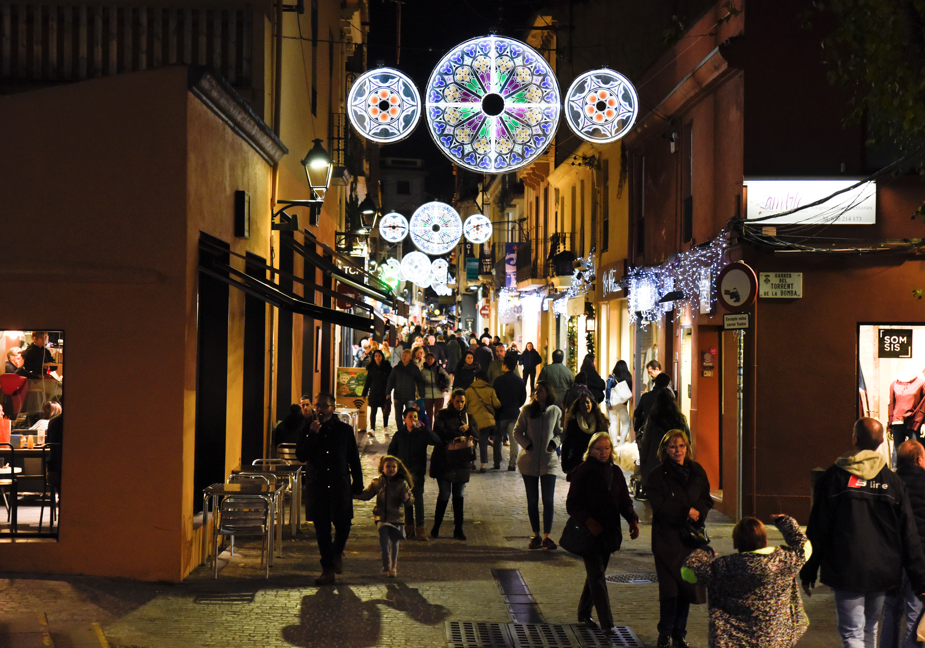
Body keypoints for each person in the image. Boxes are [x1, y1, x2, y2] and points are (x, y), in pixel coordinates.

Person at [800, 418, 925, 648]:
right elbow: (908, 533)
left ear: (854, 439)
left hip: (847, 567)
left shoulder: (834, 478)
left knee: (852, 633)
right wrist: (918, 579)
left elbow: (818, 528)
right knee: (869, 628)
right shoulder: (892, 482)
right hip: (882, 568)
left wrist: (809, 569)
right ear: (879, 443)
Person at [681, 515, 810, 648]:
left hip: (729, 641)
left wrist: (705, 552)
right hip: (774, 639)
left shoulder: (722, 568)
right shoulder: (783, 561)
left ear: (735, 543)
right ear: (765, 540)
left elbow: (688, 571)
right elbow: (804, 547)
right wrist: (785, 522)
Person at [566, 432, 640, 635]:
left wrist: (632, 519)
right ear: (590, 450)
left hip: (608, 531)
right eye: (599, 449)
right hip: (589, 534)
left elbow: (624, 500)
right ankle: (607, 623)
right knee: (597, 576)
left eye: (607, 448)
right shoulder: (582, 472)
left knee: (596, 574)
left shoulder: (615, 472)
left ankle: (583, 611)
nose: (603, 452)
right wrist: (588, 521)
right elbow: (572, 504)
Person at [646, 429, 713, 648]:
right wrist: (686, 511)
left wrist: (698, 512)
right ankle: (664, 633)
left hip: (689, 540)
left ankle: (679, 634)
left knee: (686, 589)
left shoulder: (696, 471)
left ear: (687, 447)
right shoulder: (658, 475)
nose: (678, 450)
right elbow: (659, 506)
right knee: (669, 591)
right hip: (667, 540)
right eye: (673, 446)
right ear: (665, 449)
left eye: (681, 445)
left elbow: (706, 498)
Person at [296, 392, 364, 586]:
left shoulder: (344, 430)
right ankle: (327, 569)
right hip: (317, 486)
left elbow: (353, 459)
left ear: (333, 409)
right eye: (317, 406)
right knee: (322, 530)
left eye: (324, 406)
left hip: (339, 484)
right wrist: (312, 435)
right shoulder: (307, 428)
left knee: (344, 524)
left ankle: (336, 554)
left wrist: (357, 484)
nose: (319, 410)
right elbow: (301, 455)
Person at [882, 439, 925, 648]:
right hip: (921, 559)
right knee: (915, 613)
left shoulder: (889, 483)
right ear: (919, 458)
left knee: (891, 610)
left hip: (892, 558)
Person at [513, 380, 563, 549]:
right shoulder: (527, 410)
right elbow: (517, 431)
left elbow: (559, 432)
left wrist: (554, 443)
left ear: (548, 392)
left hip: (549, 461)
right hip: (529, 461)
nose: (537, 392)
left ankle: (547, 536)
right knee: (532, 500)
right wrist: (528, 444)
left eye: (540, 390)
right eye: (535, 390)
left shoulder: (555, 411)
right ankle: (536, 535)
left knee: (548, 500)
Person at [430, 389, 480, 539]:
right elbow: (437, 431)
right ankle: (436, 526)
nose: (459, 404)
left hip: (461, 461)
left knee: (459, 495)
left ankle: (459, 529)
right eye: (457, 401)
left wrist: (469, 429)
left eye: (462, 402)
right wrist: (457, 433)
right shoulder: (443, 414)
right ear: (452, 400)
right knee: (444, 493)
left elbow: (478, 435)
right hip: (444, 460)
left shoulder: (468, 417)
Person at [354, 455, 414, 578]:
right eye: (388, 466)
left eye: (393, 467)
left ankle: (394, 567)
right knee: (383, 540)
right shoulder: (377, 482)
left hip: (396, 517)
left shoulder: (402, 483)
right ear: (382, 468)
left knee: (394, 543)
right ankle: (386, 563)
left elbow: (410, 501)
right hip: (381, 516)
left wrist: (406, 498)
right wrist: (353, 494)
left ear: (398, 469)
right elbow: (367, 494)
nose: (391, 469)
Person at [388, 407, 441, 541]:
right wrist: (394, 469)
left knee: (418, 499)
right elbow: (391, 452)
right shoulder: (399, 435)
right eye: (410, 416)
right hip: (403, 473)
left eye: (416, 416)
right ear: (404, 420)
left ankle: (420, 528)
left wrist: (426, 429)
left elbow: (436, 441)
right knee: (406, 499)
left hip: (417, 472)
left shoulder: (421, 434)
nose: (413, 419)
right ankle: (409, 527)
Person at [639, 388, 689, 493]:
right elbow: (688, 440)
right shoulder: (680, 419)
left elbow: (646, 442)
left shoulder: (653, 419)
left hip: (656, 462)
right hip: (677, 461)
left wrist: (643, 460)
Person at [492, 354, 527, 471]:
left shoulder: (498, 381)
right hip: (514, 413)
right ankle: (512, 464)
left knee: (498, 439)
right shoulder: (520, 381)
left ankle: (497, 462)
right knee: (514, 440)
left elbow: (494, 397)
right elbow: (523, 398)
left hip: (501, 413)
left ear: (505, 366)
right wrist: (516, 405)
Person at [561, 393, 610, 474]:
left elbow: (606, 442)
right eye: (582, 403)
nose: (585, 405)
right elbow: (567, 444)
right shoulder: (573, 423)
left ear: (592, 404)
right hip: (577, 463)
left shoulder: (600, 422)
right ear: (578, 406)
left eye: (587, 402)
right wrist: (565, 465)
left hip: (597, 462)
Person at [465, 371, 501, 473]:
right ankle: (483, 465)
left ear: (476, 378)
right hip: (487, 421)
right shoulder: (490, 390)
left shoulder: (469, 390)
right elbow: (497, 404)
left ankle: (472, 463)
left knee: (472, 442)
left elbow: (465, 404)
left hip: (473, 422)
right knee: (483, 441)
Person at [362, 350, 392, 434]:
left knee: (385, 411)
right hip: (374, 392)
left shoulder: (387, 368)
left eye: (379, 356)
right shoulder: (371, 368)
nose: (377, 358)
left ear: (382, 356)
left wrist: (389, 392)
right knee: (373, 411)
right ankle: (372, 429)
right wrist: (364, 393)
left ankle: (385, 427)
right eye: (376, 356)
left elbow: (391, 380)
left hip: (384, 393)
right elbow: (368, 381)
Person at [386, 349, 424, 413]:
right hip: (398, 396)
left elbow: (419, 381)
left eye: (406, 356)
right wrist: (388, 392)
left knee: (409, 414)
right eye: (403, 355)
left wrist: (421, 394)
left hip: (410, 396)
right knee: (398, 416)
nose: (404, 357)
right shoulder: (397, 368)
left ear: (410, 357)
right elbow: (391, 381)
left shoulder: (414, 368)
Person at [606, 360, 634, 444]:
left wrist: (608, 403)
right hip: (623, 404)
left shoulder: (611, 377)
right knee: (626, 424)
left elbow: (607, 389)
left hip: (613, 403)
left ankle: (614, 444)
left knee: (613, 423)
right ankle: (621, 444)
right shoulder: (628, 377)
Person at [420, 352, 450, 426]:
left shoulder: (439, 369)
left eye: (431, 359)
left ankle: (437, 430)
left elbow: (448, 378)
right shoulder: (423, 371)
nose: (430, 360)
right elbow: (419, 383)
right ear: (425, 360)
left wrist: (447, 388)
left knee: (437, 415)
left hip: (439, 394)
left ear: (434, 359)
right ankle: (430, 431)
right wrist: (419, 393)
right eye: (428, 359)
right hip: (427, 395)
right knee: (429, 415)